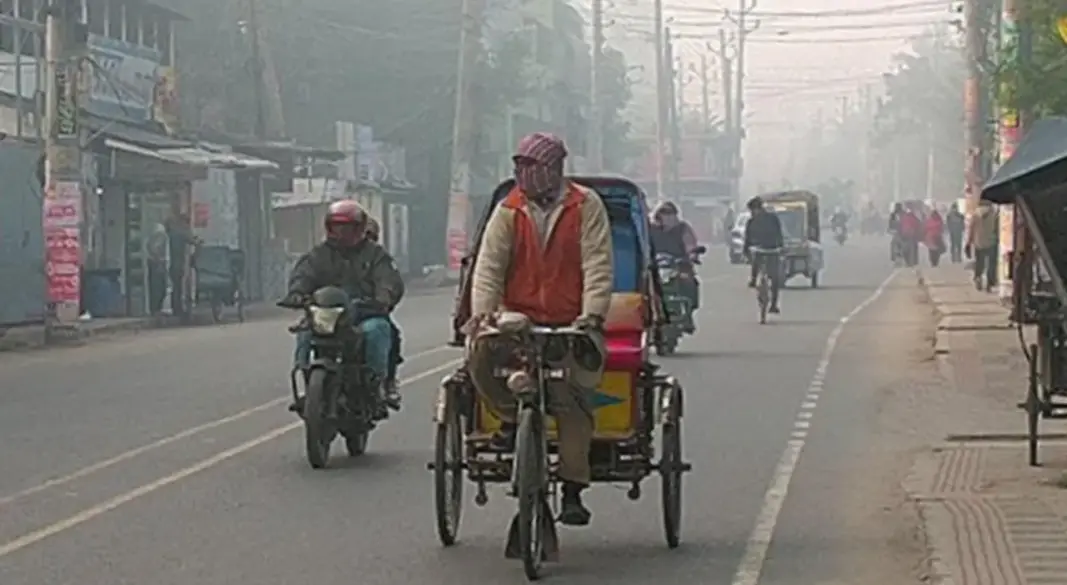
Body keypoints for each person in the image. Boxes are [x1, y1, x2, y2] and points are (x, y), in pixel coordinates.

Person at [465, 132, 613, 526]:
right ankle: (511, 420)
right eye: (519, 167)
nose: (524, 175)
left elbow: (597, 265)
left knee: (574, 399)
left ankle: (572, 489)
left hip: (571, 321)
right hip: (517, 321)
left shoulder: (586, 206)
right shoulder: (509, 210)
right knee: (478, 358)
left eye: (532, 167)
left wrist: (592, 316)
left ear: (555, 169)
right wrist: (483, 314)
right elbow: (489, 268)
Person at [283, 200, 405, 412]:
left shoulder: (375, 254)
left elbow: (388, 279)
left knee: (378, 330)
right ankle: (306, 384)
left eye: (348, 227)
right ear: (329, 228)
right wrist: (297, 294)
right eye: (338, 226)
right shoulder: (318, 255)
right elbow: (303, 275)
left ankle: (377, 384)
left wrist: (383, 297)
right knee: (304, 333)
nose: (343, 232)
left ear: (359, 228)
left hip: (364, 314)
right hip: (326, 316)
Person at [363, 216, 404, 393]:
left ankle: (386, 381)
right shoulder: (326, 255)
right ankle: (307, 378)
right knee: (306, 333)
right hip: (335, 313)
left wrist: (383, 299)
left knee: (388, 332)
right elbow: (308, 276)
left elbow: (390, 282)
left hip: (367, 311)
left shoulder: (379, 257)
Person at [650, 200, 701, 320]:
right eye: (663, 213)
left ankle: (688, 312)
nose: (667, 216)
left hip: (679, 264)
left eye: (670, 213)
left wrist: (692, 254)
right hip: (654, 266)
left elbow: (690, 243)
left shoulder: (683, 228)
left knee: (689, 281)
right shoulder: (650, 229)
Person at [743, 195, 785, 313]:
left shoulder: (766, 220)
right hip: (765, 250)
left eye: (752, 210)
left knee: (773, 277)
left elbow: (778, 234)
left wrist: (745, 251)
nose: (752, 213)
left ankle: (773, 303)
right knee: (771, 276)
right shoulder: (767, 219)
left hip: (769, 250)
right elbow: (747, 239)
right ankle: (754, 279)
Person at [966, 200, 998, 292]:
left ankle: (978, 278)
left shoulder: (976, 215)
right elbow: (997, 228)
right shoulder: (994, 214)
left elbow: (971, 229)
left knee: (980, 262)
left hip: (978, 241)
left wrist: (969, 242)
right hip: (991, 241)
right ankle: (989, 283)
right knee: (991, 264)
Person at [146, 223, 168, 315]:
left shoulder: (160, 236)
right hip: (156, 264)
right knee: (158, 288)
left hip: (158, 263)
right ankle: (156, 309)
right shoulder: (160, 235)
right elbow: (154, 248)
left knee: (161, 288)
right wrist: (158, 259)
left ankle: (157, 309)